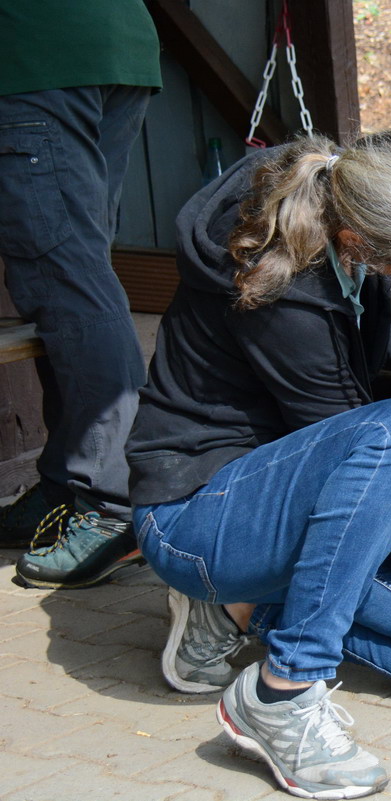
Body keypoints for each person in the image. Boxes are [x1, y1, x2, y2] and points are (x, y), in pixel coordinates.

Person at [125, 130, 391, 799]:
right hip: (197, 514)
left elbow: (351, 328)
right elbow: (362, 457)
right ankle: (283, 692)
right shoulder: (285, 286)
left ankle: (236, 607)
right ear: (363, 242)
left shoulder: (335, 197)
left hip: (280, 506)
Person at [0, 1, 160, 588]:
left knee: (69, 283)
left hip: (30, 52)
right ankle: (67, 487)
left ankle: (114, 504)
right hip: (113, 40)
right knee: (78, 272)